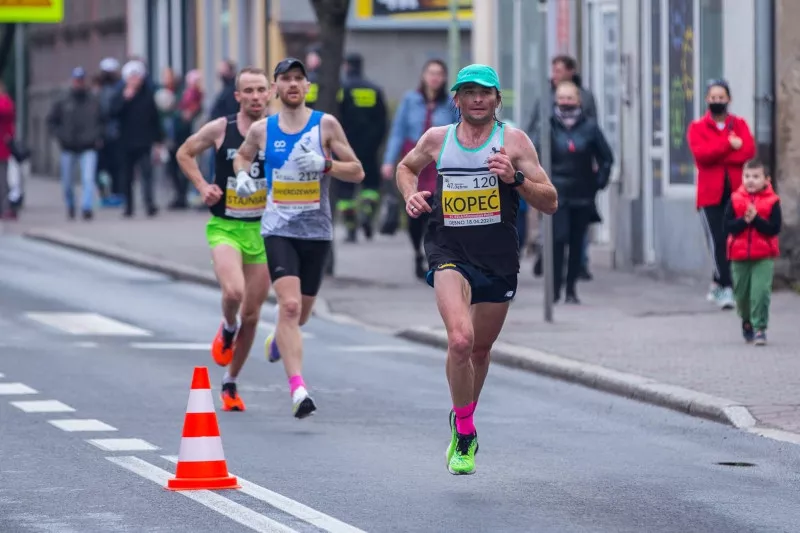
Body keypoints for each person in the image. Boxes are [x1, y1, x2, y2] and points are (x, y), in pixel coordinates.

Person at [396, 64, 558, 475]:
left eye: (485, 92)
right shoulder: (438, 139)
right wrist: (411, 196)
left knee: (481, 351)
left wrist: (515, 177)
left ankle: (461, 417)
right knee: (461, 341)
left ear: (497, 99)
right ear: (457, 100)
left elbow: (550, 200)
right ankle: (466, 432)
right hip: (448, 247)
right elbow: (406, 167)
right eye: (469, 92)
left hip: (498, 257)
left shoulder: (514, 141)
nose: (478, 99)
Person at [233, 58, 364, 419]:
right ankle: (298, 390)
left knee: (301, 315)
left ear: (307, 87)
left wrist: (326, 165)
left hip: (317, 232)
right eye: (285, 79)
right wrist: (243, 177)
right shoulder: (262, 130)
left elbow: (357, 170)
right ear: (275, 88)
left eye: (298, 79)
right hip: (278, 229)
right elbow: (243, 157)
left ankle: (278, 339)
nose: (292, 85)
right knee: (288, 307)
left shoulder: (326, 125)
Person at [175, 67, 272, 411]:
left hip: (263, 230)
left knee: (253, 314)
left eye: (261, 90)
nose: (256, 96)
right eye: (249, 91)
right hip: (226, 226)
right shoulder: (222, 128)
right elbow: (184, 152)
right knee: (234, 293)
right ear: (238, 97)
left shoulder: (279, 132)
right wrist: (202, 186)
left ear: (270, 93)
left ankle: (231, 382)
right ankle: (226, 327)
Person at [536, 81, 613, 303]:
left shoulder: (590, 128)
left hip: (582, 194)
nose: (566, 102)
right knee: (558, 239)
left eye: (570, 98)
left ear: (578, 101)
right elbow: (536, 157)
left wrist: (598, 183)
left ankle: (571, 289)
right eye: (562, 98)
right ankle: (555, 288)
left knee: (577, 242)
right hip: (556, 194)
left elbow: (606, 158)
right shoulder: (548, 125)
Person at [382, 58, 459, 278]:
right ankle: (417, 250)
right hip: (415, 160)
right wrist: (389, 161)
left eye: (439, 73)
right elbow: (398, 131)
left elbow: (459, 131)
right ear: (423, 76)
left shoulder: (451, 103)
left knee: (436, 209)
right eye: (431, 73)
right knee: (415, 210)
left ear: (444, 78)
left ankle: (432, 253)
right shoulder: (410, 100)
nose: (434, 77)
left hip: (438, 163)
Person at [688, 79, 755, 309]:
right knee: (717, 240)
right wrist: (728, 145)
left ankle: (718, 282)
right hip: (710, 195)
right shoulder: (697, 127)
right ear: (707, 100)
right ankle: (727, 287)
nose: (718, 101)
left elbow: (747, 151)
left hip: (735, 192)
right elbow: (702, 156)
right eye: (713, 98)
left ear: (729, 99)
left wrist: (722, 151)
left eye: (721, 97)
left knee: (734, 237)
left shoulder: (740, 124)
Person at [724, 159, 781, 346]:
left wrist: (756, 220)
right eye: (747, 176)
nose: (750, 180)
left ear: (767, 179)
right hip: (739, 256)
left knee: (760, 293)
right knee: (741, 295)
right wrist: (744, 221)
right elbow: (728, 227)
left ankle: (760, 329)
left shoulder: (772, 201)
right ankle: (746, 321)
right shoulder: (735, 199)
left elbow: (774, 229)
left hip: (763, 256)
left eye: (756, 177)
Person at [337, 52, 388, 242]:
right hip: (370, 147)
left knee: (345, 191)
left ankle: (351, 229)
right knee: (371, 185)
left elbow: (337, 117)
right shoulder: (374, 89)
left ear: (346, 66)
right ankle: (367, 211)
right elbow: (383, 120)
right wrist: (376, 142)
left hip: (346, 148)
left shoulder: (342, 89)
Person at [47, 67, 105, 221]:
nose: (79, 83)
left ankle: (86, 207)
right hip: (69, 147)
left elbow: (103, 120)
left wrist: (97, 136)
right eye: (76, 80)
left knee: (88, 178)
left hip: (88, 145)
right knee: (67, 182)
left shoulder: (93, 100)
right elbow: (51, 121)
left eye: (81, 80)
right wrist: (61, 136)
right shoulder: (63, 101)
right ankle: (71, 204)